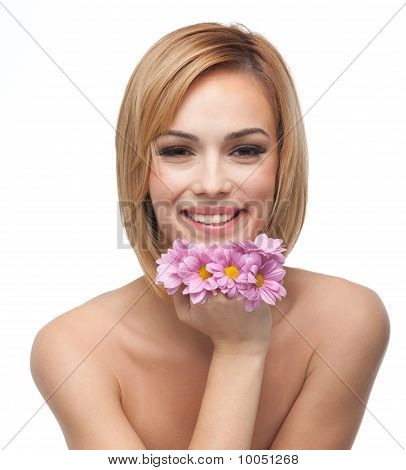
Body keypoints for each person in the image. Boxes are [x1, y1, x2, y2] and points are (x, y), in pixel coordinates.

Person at [30, 22, 390, 450]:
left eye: (246, 150)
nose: (213, 183)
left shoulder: (348, 320)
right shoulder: (72, 349)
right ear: (139, 170)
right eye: (177, 151)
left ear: (283, 164)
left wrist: (244, 345)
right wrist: (239, 350)